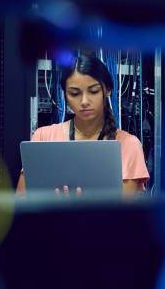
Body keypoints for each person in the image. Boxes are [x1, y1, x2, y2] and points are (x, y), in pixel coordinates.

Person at [16, 53, 149, 197]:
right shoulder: (43, 138)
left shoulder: (129, 145)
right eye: (74, 93)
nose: (84, 101)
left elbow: (123, 213)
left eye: (93, 91)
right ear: (65, 95)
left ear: (108, 90)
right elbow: (21, 202)